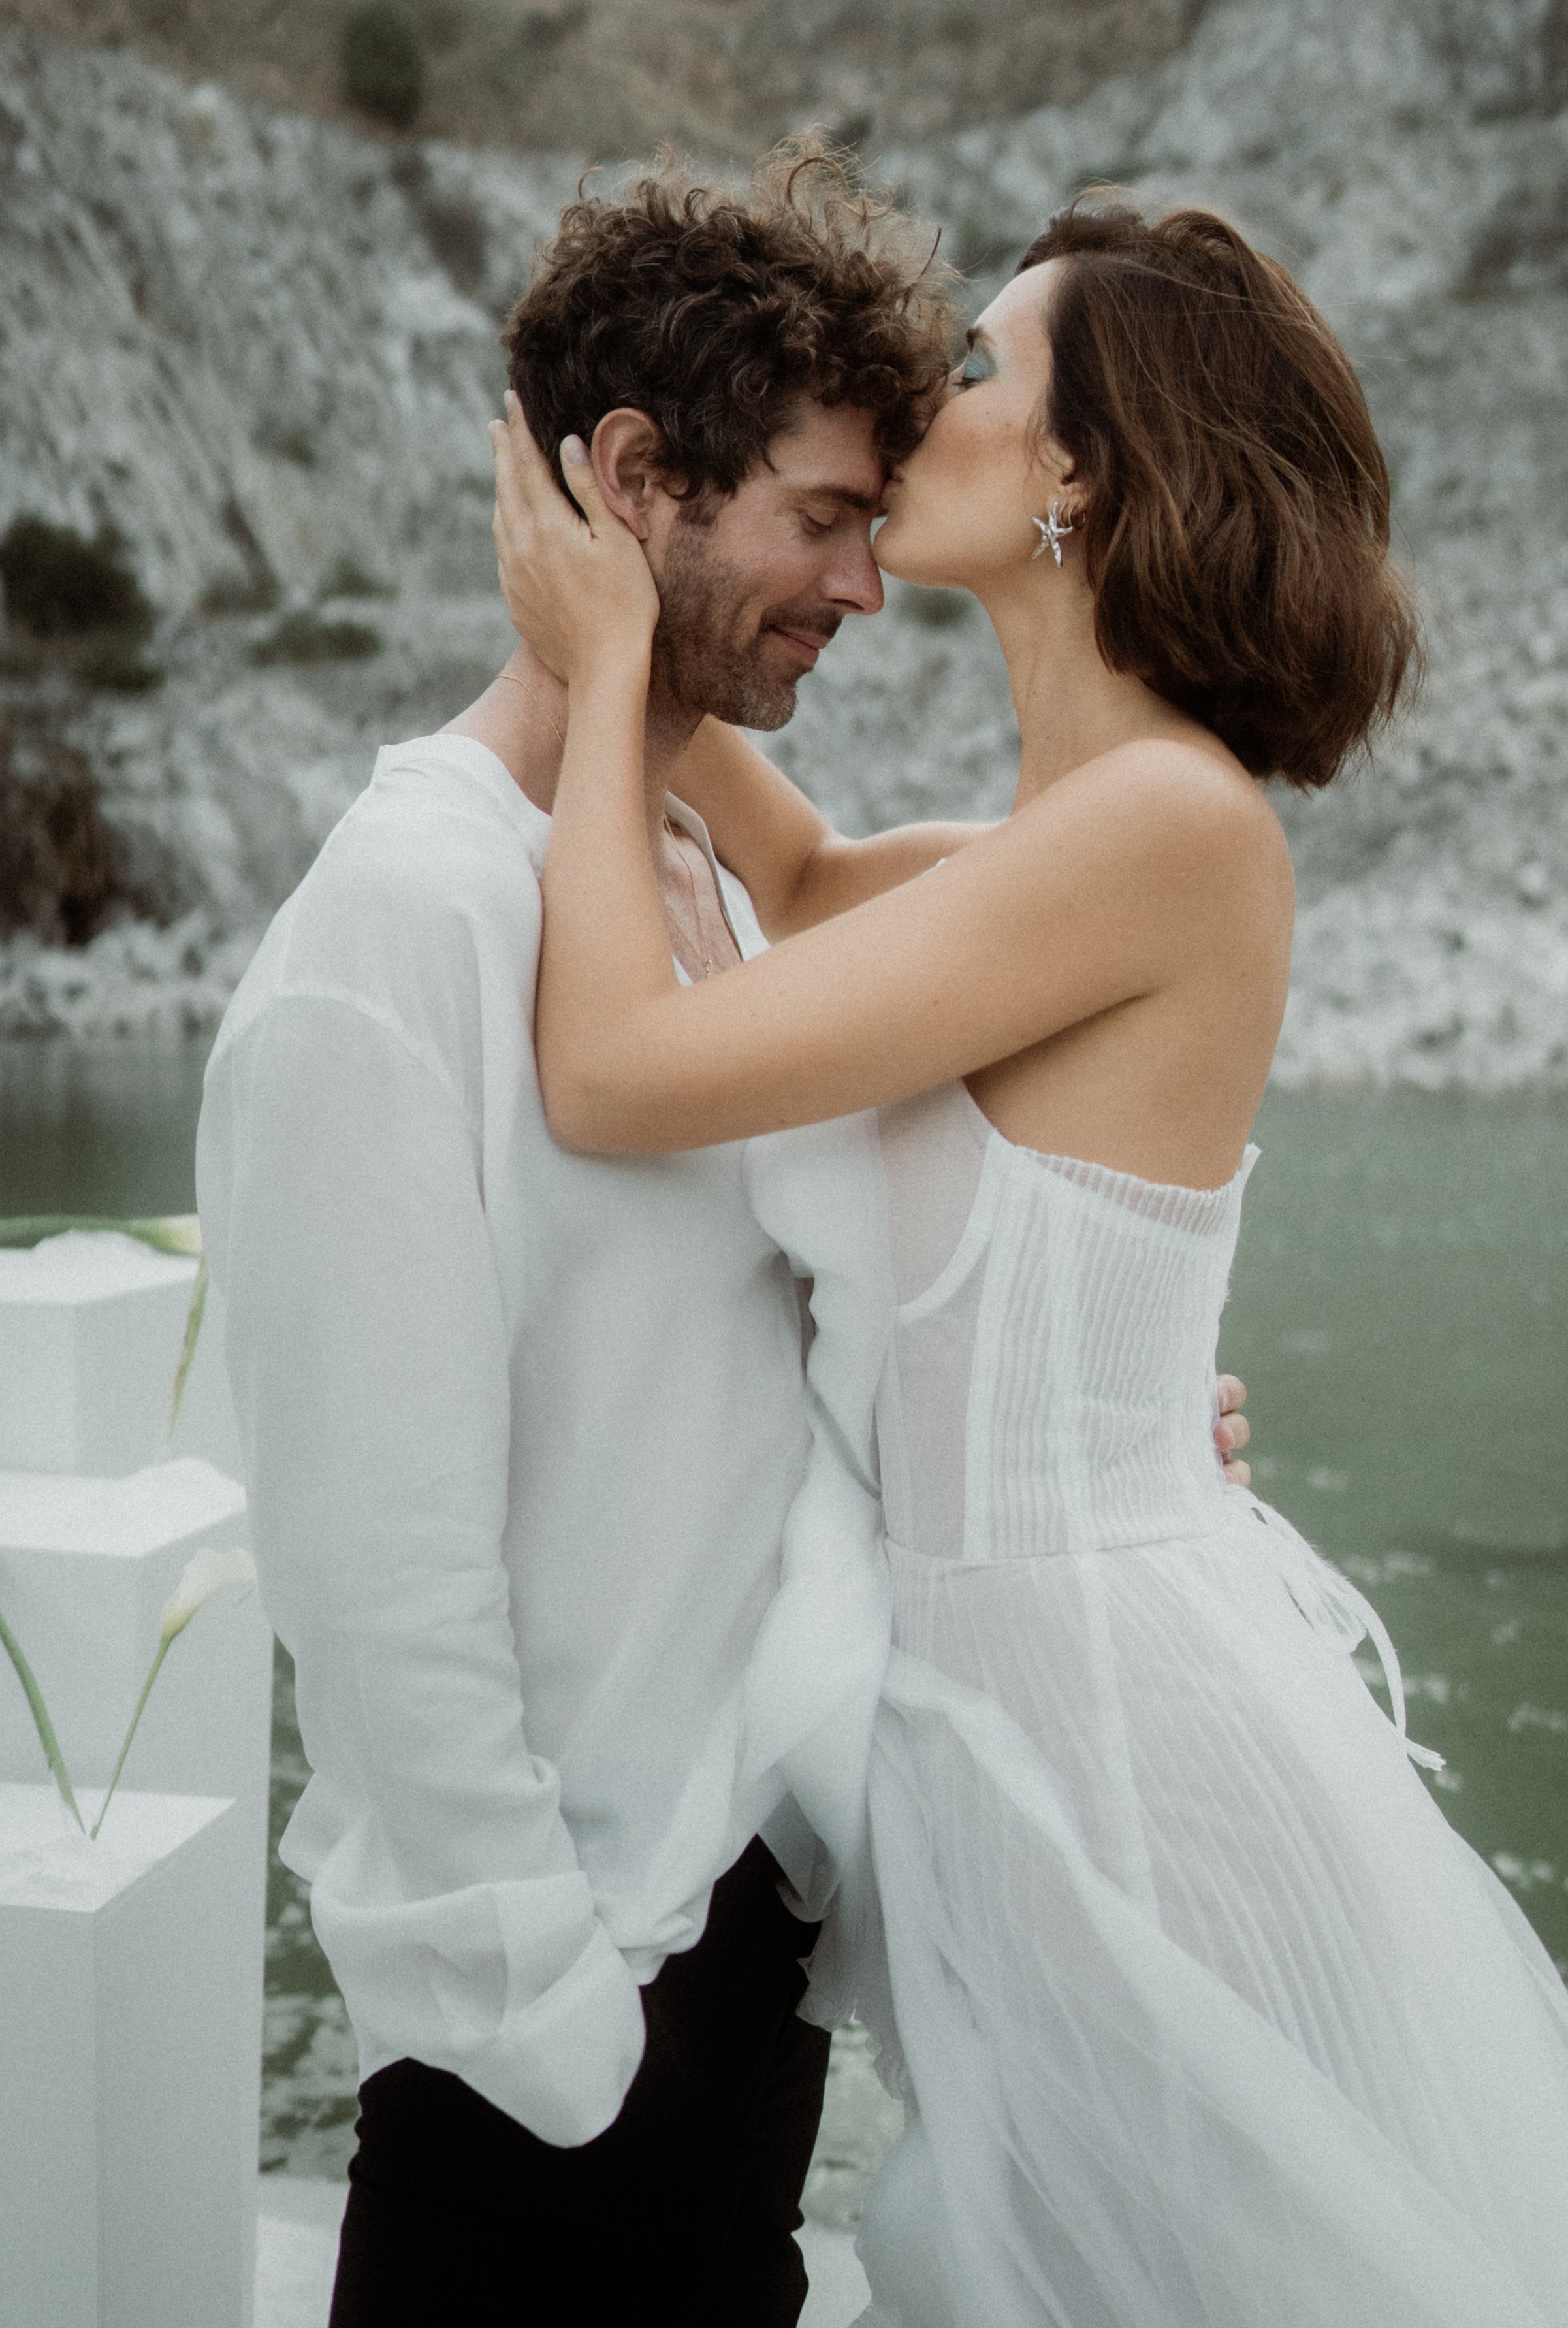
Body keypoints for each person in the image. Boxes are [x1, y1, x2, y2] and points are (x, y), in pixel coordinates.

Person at [493, 194, 1568, 2323]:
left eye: (987, 370)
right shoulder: (1050, 851)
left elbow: (620, 1066)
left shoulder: (1169, 833)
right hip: (1004, 1737)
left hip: (1117, 1746)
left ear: (1084, 474)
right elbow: (810, 873)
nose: (931, 402)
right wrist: (616, 572)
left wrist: (608, 644)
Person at [196, 150, 1257, 2326]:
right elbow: (374, 1578)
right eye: (822, 516)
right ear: (633, 489)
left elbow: (771, 1367)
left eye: (884, 514)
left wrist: (1086, 1425)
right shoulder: (401, 924)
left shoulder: (679, 875)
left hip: (748, 1971)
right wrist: (552, 2019)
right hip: (559, 2033)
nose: (864, 584)